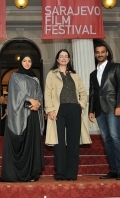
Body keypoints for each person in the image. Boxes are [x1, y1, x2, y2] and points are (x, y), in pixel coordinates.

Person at [44, 49, 91, 181]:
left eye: (66, 56)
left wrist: (81, 104)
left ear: (69, 60)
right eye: (61, 56)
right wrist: (50, 109)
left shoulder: (75, 75)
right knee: (59, 142)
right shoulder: (51, 74)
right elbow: (47, 93)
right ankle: (60, 173)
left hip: (74, 109)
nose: (64, 58)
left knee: (73, 142)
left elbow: (82, 91)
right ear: (57, 59)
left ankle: (71, 173)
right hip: (59, 109)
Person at [0, 54, 45, 182]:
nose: (27, 63)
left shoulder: (35, 79)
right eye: (24, 61)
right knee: (23, 142)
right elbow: (16, 92)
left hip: (33, 114)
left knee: (33, 143)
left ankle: (32, 173)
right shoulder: (15, 76)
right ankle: (18, 173)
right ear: (21, 63)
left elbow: (39, 94)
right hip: (21, 114)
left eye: (29, 61)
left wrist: (38, 103)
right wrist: (30, 100)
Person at [88, 43, 120, 180]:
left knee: (115, 138)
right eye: (97, 52)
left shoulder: (116, 67)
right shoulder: (93, 73)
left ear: (107, 53)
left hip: (113, 107)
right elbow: (92, 92)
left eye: (102, 52)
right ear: (95, 54)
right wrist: (91, 110)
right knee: (106, 140)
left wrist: (119, 105)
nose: (100, 54)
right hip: (99, 110)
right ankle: (113, 170)